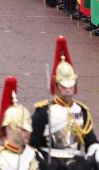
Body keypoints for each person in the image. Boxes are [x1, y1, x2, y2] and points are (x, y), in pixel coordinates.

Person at [30, 37, 98, 167]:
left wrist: (95, 153)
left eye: (71, 86)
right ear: (56, 85)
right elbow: (32, 145)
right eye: (64, 86)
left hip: (75, 163)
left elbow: (90, 141)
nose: (68, 90)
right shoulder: (44, 111)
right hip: (51, 162)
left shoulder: (82, 111)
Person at [0, 79, 44, 170]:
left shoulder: (34, 156)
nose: (27, 133)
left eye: (27, 129)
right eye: (22, 129)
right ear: (9, 128)